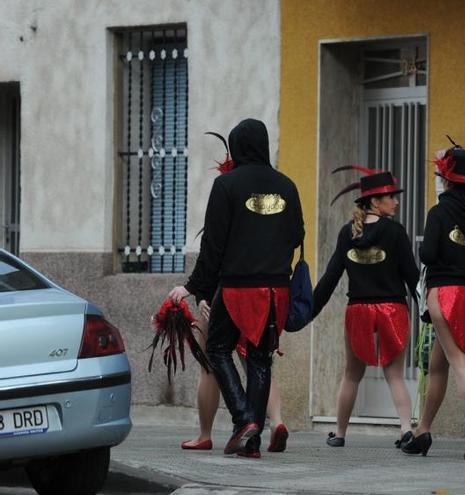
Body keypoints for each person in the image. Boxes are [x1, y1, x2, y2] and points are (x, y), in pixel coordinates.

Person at [169, 118, 304, 459]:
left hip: (238, 288)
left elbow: (213, 245)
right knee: (260, 358)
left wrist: (194, 287)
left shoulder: (227, 185)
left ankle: (243, 419)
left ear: (236, 147)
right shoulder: (287, 186)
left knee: (217, 349)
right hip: (276, 288)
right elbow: (297, 235)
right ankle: (253, 439)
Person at [401, 142, 465, 461]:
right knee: (437, 364)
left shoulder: (439, 212)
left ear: (445, 179)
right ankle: (422, 431)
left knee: (459, 363)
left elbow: (427, 255)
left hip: (445, 294)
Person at [311, 166, 419, 449]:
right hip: (392, 310)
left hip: (358, 310)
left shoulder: (348, 233)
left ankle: (340, 433)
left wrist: (308, 311)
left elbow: (331, 276)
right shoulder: (395, 232)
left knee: (351, 374)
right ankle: (407, 429)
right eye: (391, 196)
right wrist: (425, 307)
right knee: (394, 374)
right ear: (374, 201)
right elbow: (412, 275)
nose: (396, 201)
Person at [179, 309, 289, 453]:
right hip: (252, 301)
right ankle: (276, 422)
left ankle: (205, 435)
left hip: (219, 299)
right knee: (257, 365)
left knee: (209, 367)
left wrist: (193, 291)